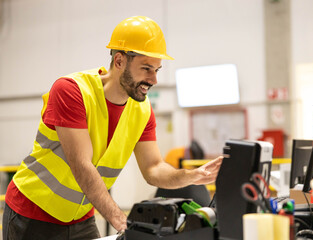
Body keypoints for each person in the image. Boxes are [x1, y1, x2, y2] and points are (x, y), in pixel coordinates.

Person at [2, 16, 223, 239]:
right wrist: (121, 220)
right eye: (146, 68)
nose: (154, 79)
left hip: (81, 216)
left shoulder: (142, 110)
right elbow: (81, 165)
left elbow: (154, 168)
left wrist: (192, 176)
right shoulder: (71, 91)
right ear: (119, 61)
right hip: (32, 212)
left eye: (157, 69)